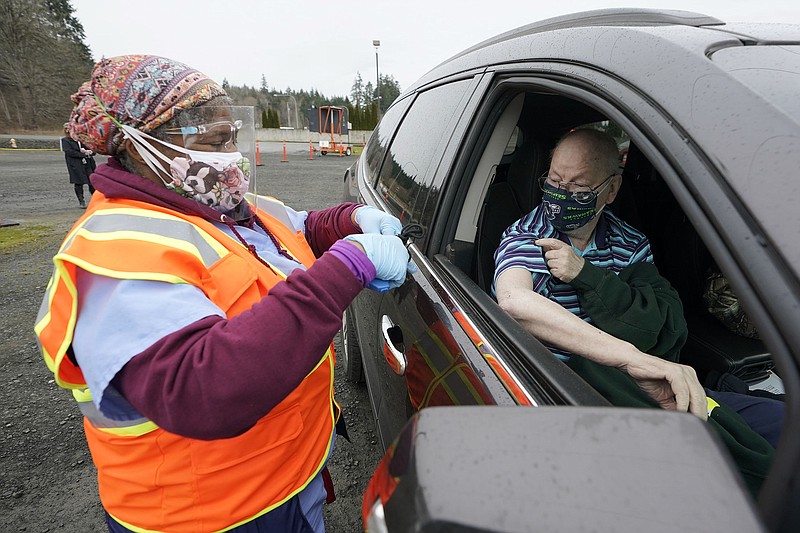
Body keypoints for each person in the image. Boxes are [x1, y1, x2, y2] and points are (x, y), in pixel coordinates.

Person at [34, 54, 411, 533]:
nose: (232, 155)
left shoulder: (214, 205)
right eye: (215, 141)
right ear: (139, 146)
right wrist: (347, 267)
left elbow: (295, 230)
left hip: (283, 481)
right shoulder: (117, 254)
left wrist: (351, 221)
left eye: (233, 135)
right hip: (207, 514)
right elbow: (204, 388)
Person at [493, 128, 780, 495]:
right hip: (577, 392)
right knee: (722, 477)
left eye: (579, 189)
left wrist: (585, 274)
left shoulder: (628, 241)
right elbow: (516, 301)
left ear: (611, 190)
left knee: (778, 426)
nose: (561, 196)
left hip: (651, 380)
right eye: (554, 181)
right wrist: (629, 359)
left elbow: (660, 319)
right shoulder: (528, 235)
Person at [60, 123, 96, 208]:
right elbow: (69, 152)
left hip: (88, 163)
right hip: (75, 165)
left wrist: (90, 152)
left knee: (92, 182)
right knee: (78, 183)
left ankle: (95, 200)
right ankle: (81, 201)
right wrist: (83, 154)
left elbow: (91, 147)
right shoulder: (65, 141)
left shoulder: (81, 139)